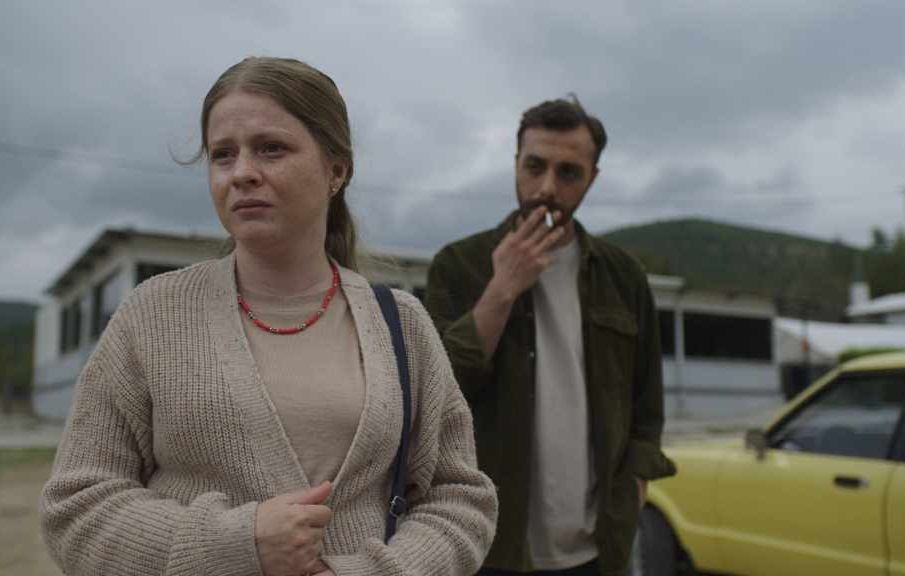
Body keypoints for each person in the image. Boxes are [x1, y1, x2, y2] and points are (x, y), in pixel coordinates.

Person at [40, 56, 497, 576]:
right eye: (223, 155)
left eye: (271, 148)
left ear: (336, 170)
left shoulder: (402, 325)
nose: (242, 173)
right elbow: (76, 508)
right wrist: (236, 544)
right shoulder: (153, 316)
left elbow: (459, 499)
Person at [425, 96, 675, 576]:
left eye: (568, 173)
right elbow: (438, 393)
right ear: (515, 164)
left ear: (592, 179)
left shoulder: (622, 276)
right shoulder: (459, 265)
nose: (547, 188)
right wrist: (503, 288)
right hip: (489, 544)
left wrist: (635, 486)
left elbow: (648, 403)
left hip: (597, 548)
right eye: (535, 166)